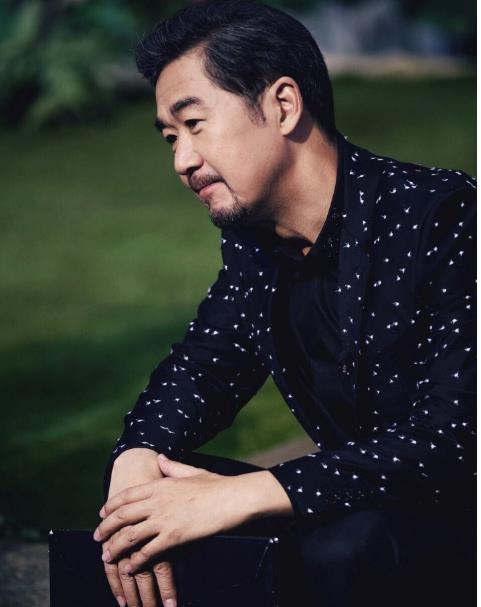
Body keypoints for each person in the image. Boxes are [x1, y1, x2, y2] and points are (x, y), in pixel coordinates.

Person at [93, 1, 476, 606]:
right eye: (170, 137)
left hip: (459, 520)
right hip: (375, 507)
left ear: (283, 105)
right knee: (149, 515)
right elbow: (202, 370)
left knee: (346, 546)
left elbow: (455, 438)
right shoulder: (257, 244)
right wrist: (137, 457)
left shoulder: (446, 218)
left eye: (194, 124)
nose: (182, 160)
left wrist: (250, 492)